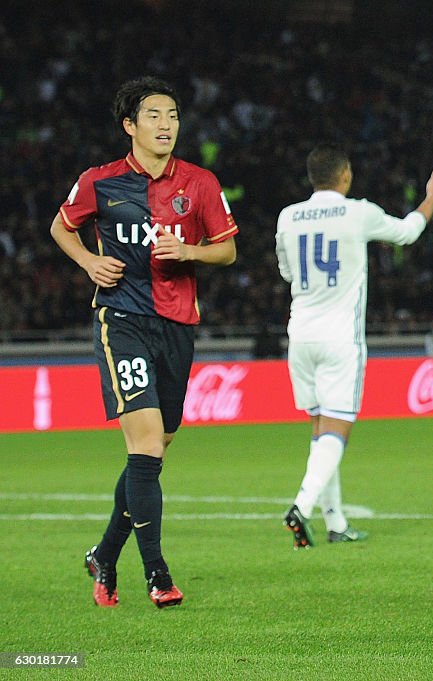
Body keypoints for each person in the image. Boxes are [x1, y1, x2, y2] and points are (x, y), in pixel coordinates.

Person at [50, 76, 239, 608]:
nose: (166, 125)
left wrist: (191, 253)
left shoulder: (200, 182)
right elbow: (61, 228)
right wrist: (89, 261)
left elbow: (226, 251)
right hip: (122, 319)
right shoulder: (100, 182)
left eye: (173, 115)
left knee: (152, 453)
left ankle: (104, 555)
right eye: (154, 115)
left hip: (178, 325)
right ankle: (157, 573)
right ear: (130, 126)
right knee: (148, 446)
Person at [276, 144, 433, 548]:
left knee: (321, 428)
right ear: (345, 175)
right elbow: (407, 232)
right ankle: (301, 505)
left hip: (299, 333)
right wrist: (432, 197)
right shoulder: (358, 212)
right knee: (337, 428)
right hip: (340, 337)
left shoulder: (288, 216)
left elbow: (285, 271)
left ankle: (335, 523)